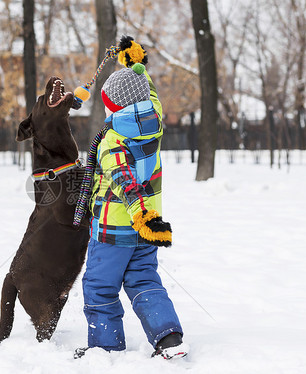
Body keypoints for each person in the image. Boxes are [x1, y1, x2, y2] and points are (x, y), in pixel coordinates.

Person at [75, 44, 188, 360]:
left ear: (113, 108)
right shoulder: (156, 119)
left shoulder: (114, 141)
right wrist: (136, 64)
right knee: (144, 280)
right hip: (145, 233)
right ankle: (169, 338)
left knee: (99, 287)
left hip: (115, 230)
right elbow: (147, 90)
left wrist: (141, 213)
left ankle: (105, 347)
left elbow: (126, 182)